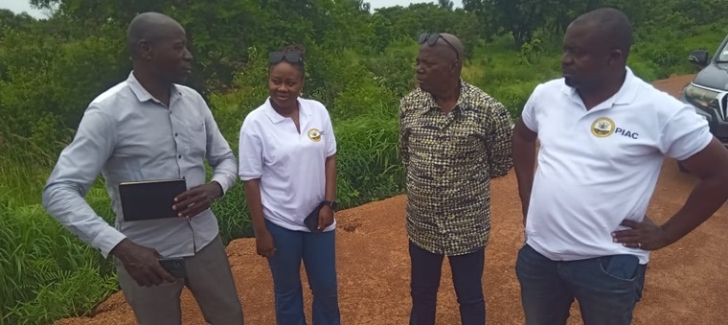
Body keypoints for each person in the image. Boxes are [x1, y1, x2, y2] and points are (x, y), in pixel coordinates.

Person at [512, 7, 728, 325]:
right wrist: (527, 198)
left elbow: (720, 173)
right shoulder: (547, 95)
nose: (565, 60)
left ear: (613, 58)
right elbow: (522, 135)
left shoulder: (659, 111)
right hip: (540, 256)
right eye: (565, 50)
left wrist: (667, 233)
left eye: (577, 53)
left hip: (608, 266)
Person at [41, 12, 244, 325]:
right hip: (147, 258)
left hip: (205, 244)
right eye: (178, 47)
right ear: (146, 49)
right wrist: (121, 247)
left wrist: (216, 187)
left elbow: (225, 158)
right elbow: (59, 191)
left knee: (230, 319)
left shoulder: (194, 101)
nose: (188, 56)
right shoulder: (107, 113)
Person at [399, 32, 514, 325]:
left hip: (467, 227)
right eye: (418, 62)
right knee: (422, 296)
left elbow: (501, 163)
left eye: (428, 63)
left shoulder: (489, 110)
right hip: (422, 226)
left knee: (470, 298)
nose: (419, 69)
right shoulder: (409, 106)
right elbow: (406, 155)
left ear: (454, 66)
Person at [238, 44, 341, 325]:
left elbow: (330, 158)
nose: (282, 88)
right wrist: (261, 231)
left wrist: (329, 204)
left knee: (326, 289)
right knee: (287, 291)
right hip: (280, 224)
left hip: (319, 220)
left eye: (290, 82)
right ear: (268, 80)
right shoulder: (255, 124)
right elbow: (250, 180)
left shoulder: (317, 112)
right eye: (276, 81)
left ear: (301, 84)